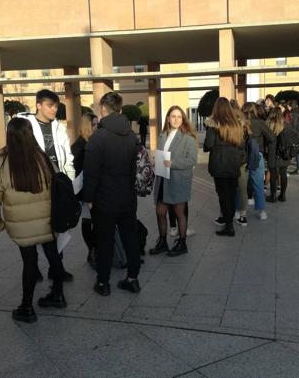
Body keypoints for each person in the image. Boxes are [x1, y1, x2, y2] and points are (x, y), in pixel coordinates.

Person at [0, 117, 67, 324]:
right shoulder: (44, 159)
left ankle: (26, 307)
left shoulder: (2, 165)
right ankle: (58, 294)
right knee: (53, 255)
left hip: (21, 225)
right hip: (48, 221)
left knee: (29, 262)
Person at [83, 92, 141, 297]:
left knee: (104, 241)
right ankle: (133, 279)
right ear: (121, 109)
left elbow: (91, 173)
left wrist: (88, 198)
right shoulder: (131, 136)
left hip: (104, 200)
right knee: (130, 238)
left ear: (103, 109)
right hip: (127, 197)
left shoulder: (98, 137)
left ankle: (103, 283)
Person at [17, 89, 75, 282]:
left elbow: (67, 156)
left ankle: (57, 267)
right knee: (35, 228)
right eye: (50, 106)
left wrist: (70, 180)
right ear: (38, 105)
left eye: (56, 106)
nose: (54, 110)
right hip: (35, 185)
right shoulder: (25, 126)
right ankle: (33, 269)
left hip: (58, 184)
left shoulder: (59, 127)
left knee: (59, 225)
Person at [149, 106, 197, 257]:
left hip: (178, 180)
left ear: (183, 119)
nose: (176, 119)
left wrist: (173, 163)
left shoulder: (188, 137)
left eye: (179, 117)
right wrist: (156, 161)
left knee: (179, 213)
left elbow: (192, 160)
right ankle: (163, 241)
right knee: (160, 211)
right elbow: (161, 155)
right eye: (173, 116)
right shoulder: (163, 135)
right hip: (163, 179)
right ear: (168, 118)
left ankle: (182, 243)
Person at [204, 97, 244, 237]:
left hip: (219, 164)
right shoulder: (237, 125)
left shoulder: (213, 125)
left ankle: (228, 226)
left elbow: (208, 144)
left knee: (223, 195)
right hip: (233, 163)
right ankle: (230, 224)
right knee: (231, 194)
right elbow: (242, 145)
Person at [71, 113, 98, 269]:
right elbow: (76, 173)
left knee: (94, 222)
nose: (97, 127)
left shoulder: (93, 143)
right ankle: (92, 251)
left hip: (94, 190)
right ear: (87, 126)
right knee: (88, 222)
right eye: (94, 124)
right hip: (84, 193)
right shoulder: (79, 146)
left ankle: (95, 250)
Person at [241, 102, 274, 223]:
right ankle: (262, 212)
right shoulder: (260, 123)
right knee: (259, 184)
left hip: (241, 156)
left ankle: (237, 211)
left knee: (239, 185)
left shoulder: (239, 123)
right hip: (257, 155)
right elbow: (272, 137)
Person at [266, 108, 291, 202]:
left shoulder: (268, 124)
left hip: (272, 151)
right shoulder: (286, 124)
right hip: (284, 152)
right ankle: (283, 195)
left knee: (273, 174)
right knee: (283, 173)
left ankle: (273, 196)